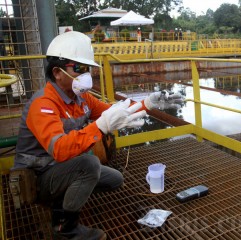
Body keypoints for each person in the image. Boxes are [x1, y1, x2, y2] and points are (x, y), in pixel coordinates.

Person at [13, 31, 183, 239]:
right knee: (89, 165)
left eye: (89, 69)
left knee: (115, 180)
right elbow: (59, 150)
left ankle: (69, 194)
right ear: (57, 72)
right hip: (37, 177)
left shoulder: (82, 99)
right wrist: (100, 127)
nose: (87, 75)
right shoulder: (43, 105)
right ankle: (65, 228)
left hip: (61, 168)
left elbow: (114, 110)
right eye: (79, 69)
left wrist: (149, 103)